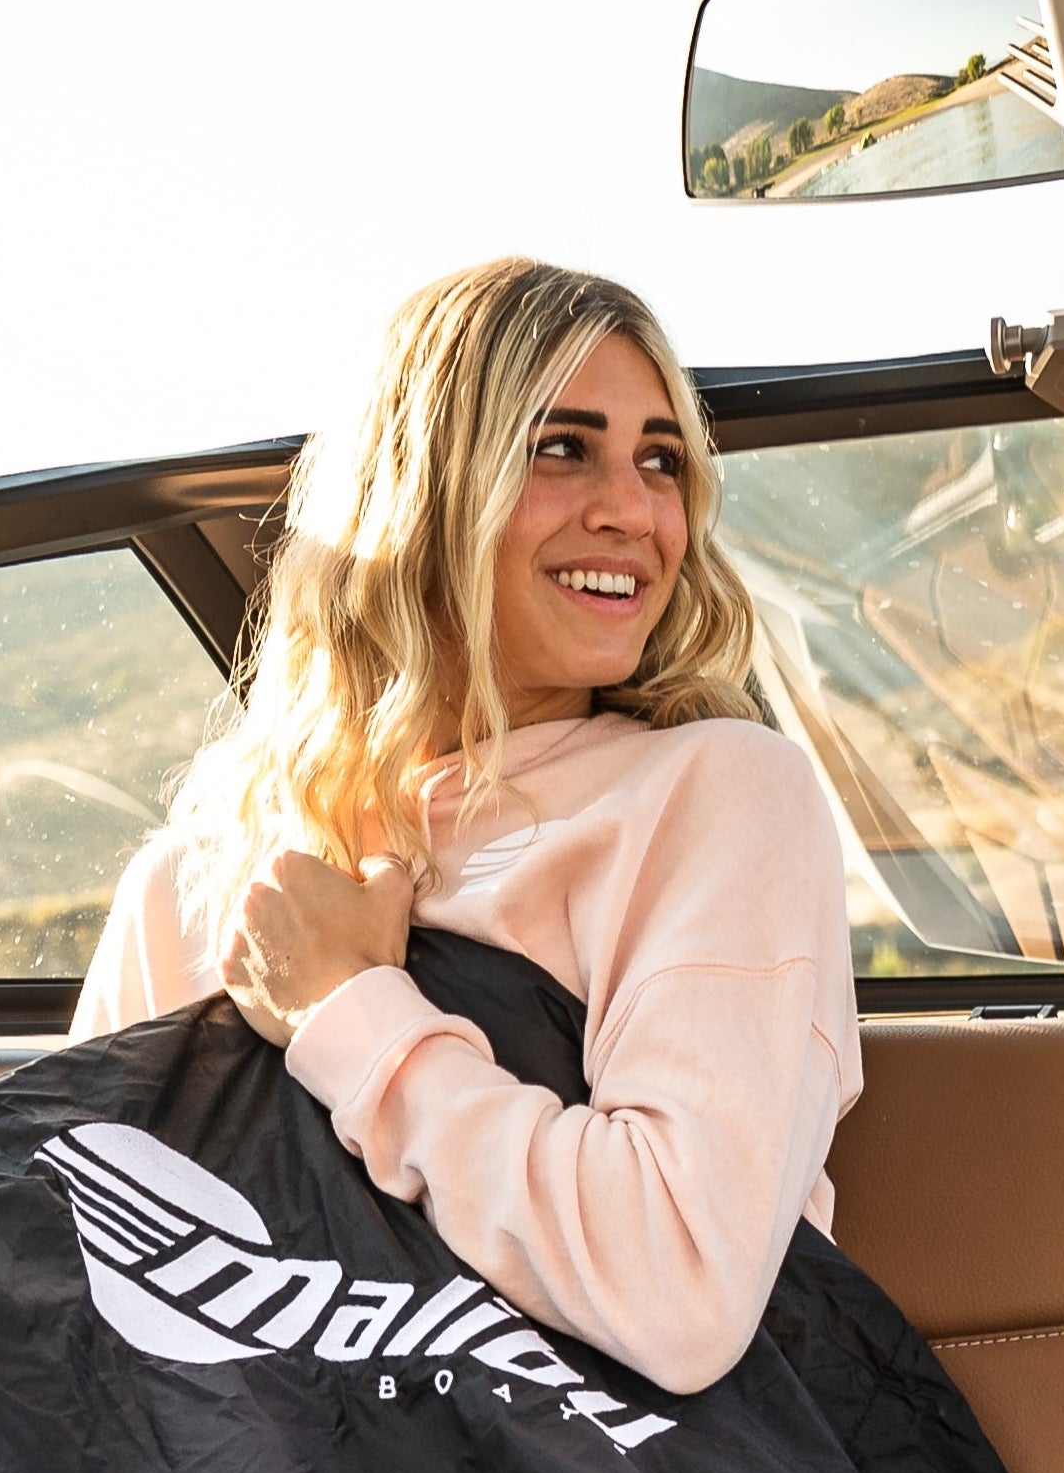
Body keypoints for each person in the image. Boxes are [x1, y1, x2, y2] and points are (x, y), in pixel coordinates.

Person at [73, 256, 857, 1397]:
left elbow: (677, 1284)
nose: (632, 512)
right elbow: (85, 1272)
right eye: (559, 448)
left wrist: (348, 1015)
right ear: (421, 492)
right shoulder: (197, 885)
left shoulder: (714, 796)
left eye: (660, 462)